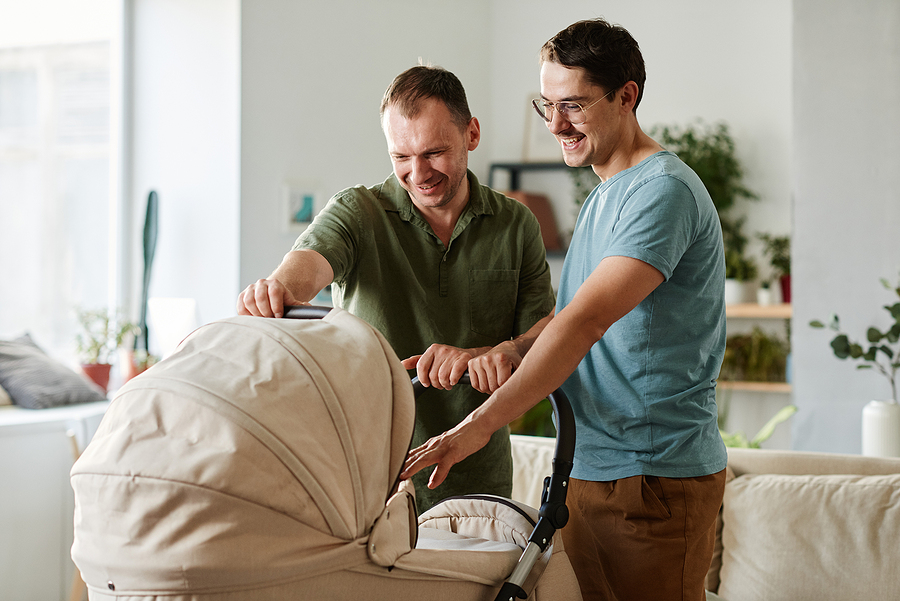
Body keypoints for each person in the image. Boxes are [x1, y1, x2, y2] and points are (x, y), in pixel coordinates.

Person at [402, 19, 728, 601]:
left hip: (652, 476)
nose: (555, 124)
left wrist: (475, 429)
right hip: (589, 469)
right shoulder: (605, 194)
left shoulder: (663, 191)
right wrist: (505, 351)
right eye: (547, 105)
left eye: (573, 105)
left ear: (626, 96)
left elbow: (585, 323)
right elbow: (570, 314)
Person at [236, 64, 556, 512]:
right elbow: (304, 269)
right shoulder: (358, 212)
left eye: (434, 153)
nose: (418, 172)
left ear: (472, 134)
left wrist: (498, 352)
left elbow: (545, 336)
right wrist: (277, 290)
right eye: (401, 157)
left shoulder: (516, 224)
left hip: (479, 480)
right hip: (372, 480)